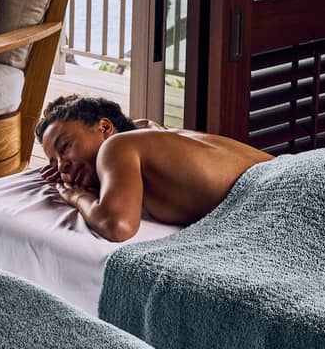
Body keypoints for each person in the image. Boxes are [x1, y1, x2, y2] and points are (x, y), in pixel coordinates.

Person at [36, 95, 272, 242]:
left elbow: (118, 226)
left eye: (65, 147)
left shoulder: (116, 146)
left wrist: (76, 196)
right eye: (54, 162)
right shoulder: (147, 138)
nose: (62, 165)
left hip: (278, 191)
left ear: (105, 127)